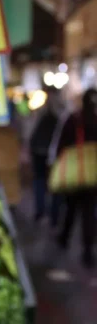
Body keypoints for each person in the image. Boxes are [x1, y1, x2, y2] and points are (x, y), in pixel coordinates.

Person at [52, 88, 97, 267]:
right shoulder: (94, 119)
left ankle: (64, 238)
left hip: (74, 172)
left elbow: (60, 144)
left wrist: (57, 163)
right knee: (88, 211)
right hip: (93, 174)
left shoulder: (73, 119)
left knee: (70, 208)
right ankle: (87, 249)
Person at [29, 87, 61, 225]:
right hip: (47, 154)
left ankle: (44, 212)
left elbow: (32, 134)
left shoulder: (42, 112)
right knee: (49, 183)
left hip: (42, 153)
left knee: (43, 182)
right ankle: (49, 214)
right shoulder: (58, 114)